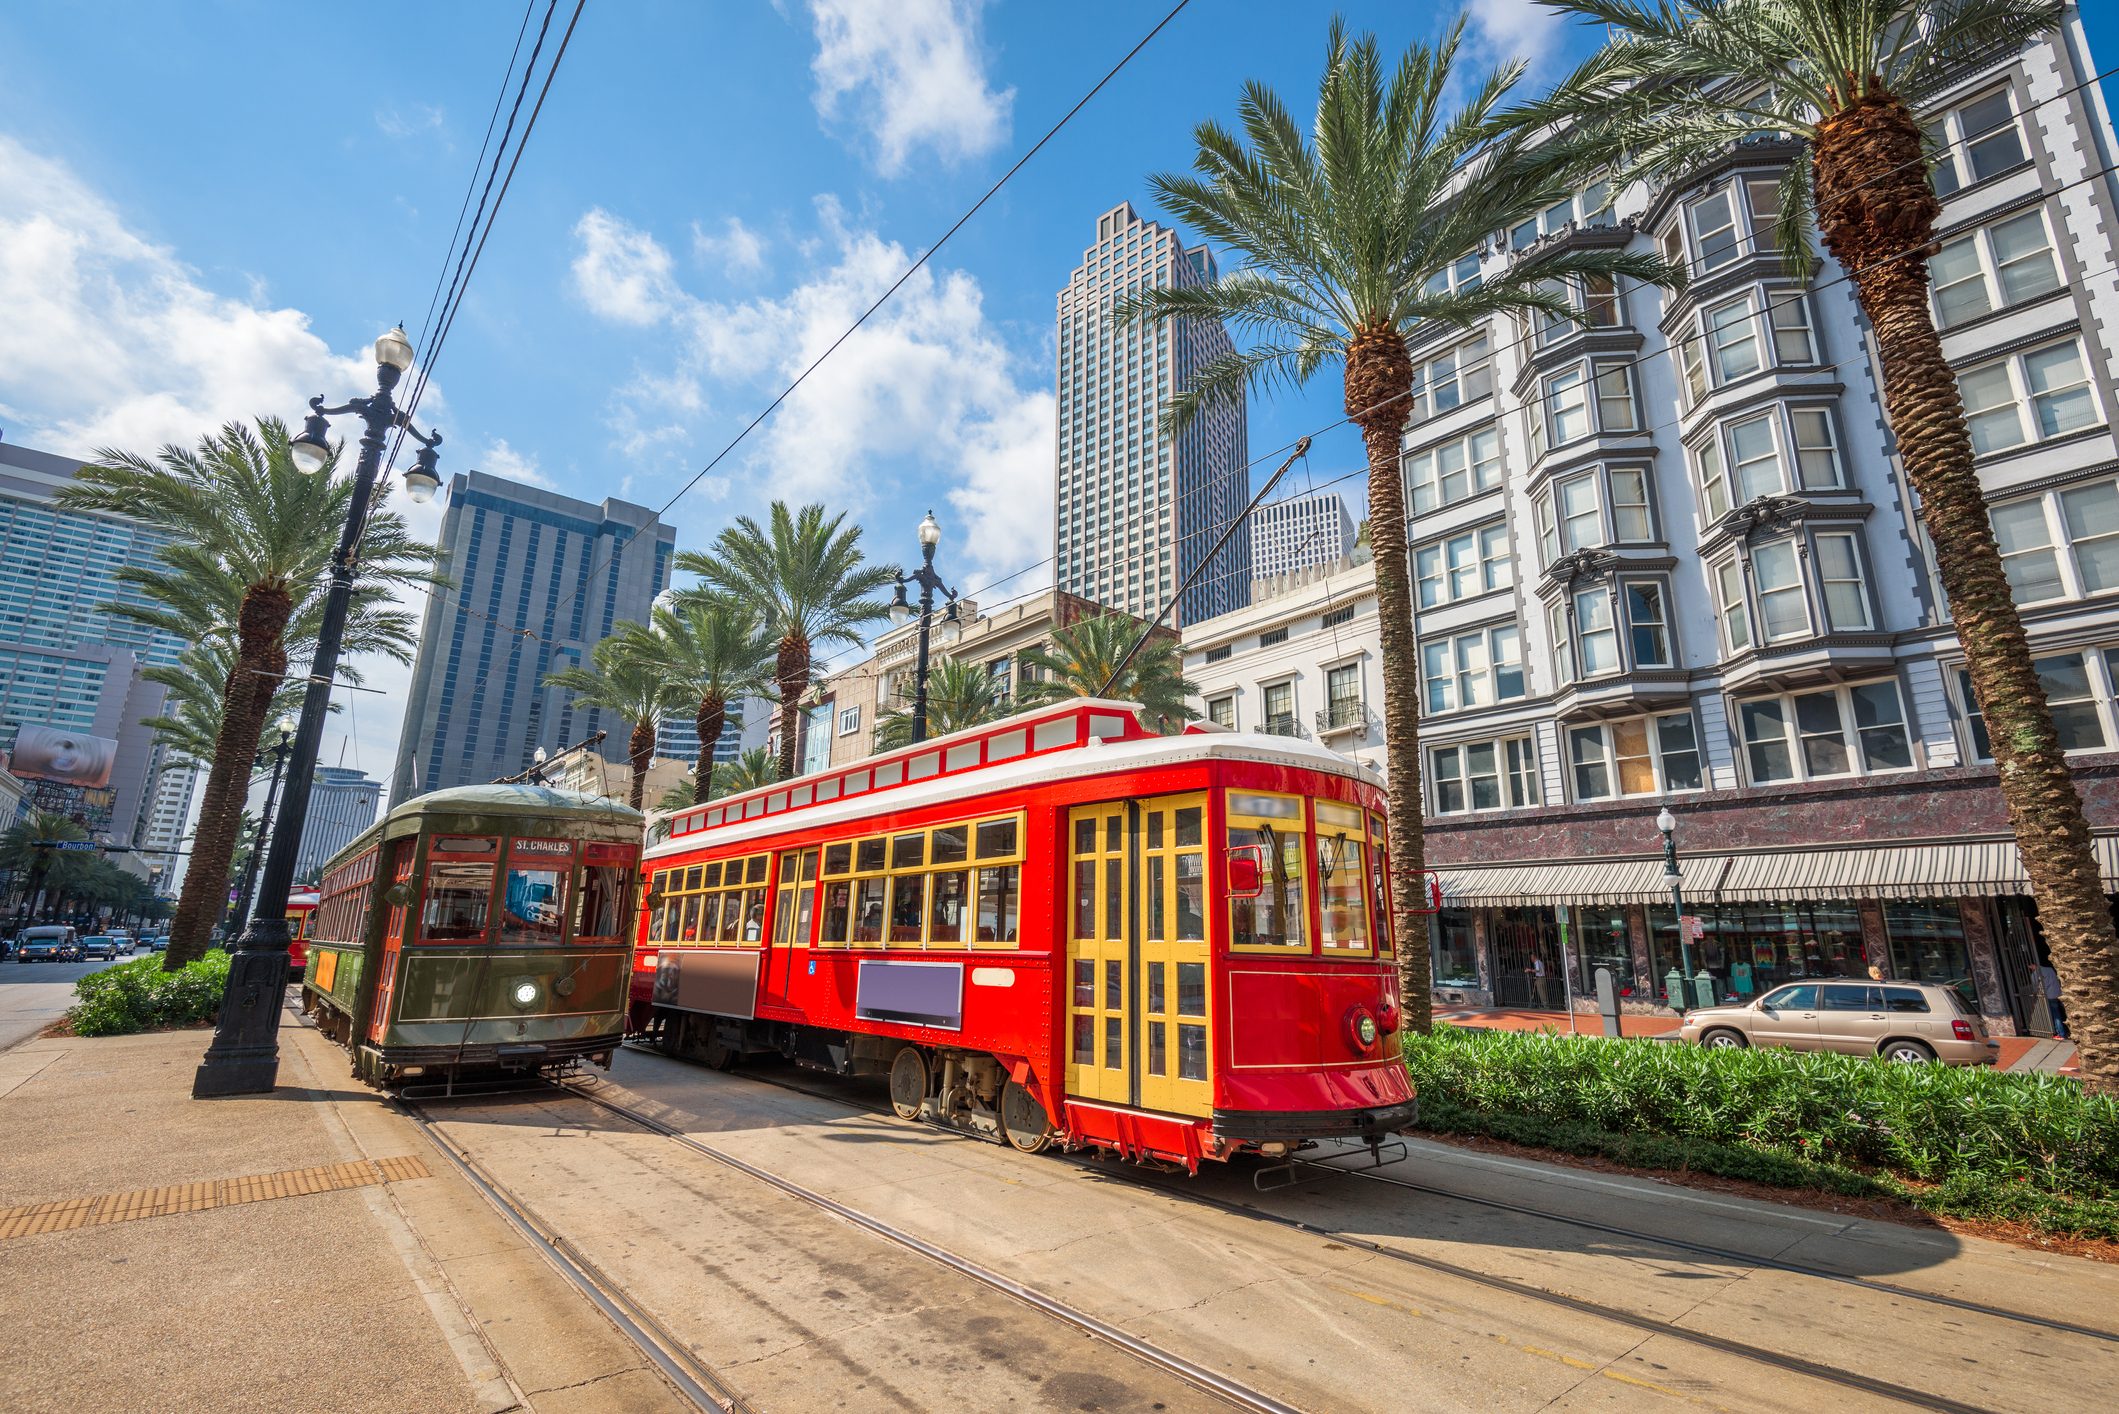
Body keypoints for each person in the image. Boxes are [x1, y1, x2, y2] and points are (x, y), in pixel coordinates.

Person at [2039, 963, 2068, 1038]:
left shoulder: (2038, 973)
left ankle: (2061, 1034)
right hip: (2057, 993)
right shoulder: (2050, 969)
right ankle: (2065, 1030)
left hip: (2050, 995)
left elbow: (2043, 985)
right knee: (2061, 1012)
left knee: (2056, 1015)